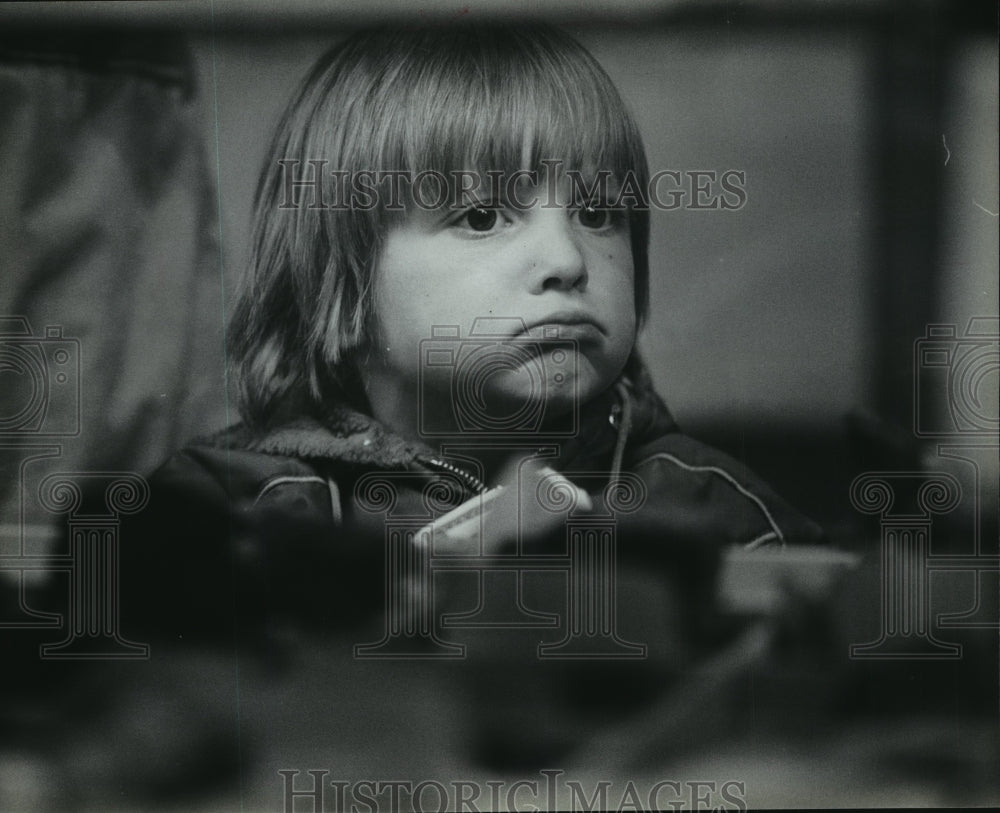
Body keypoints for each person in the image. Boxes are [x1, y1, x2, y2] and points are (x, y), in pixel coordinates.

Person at [122, 21, 824, 684]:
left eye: (599, 212)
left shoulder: (710, 504)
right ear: (343, 285)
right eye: (482, 216)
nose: (567, 259)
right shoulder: (231, 504)